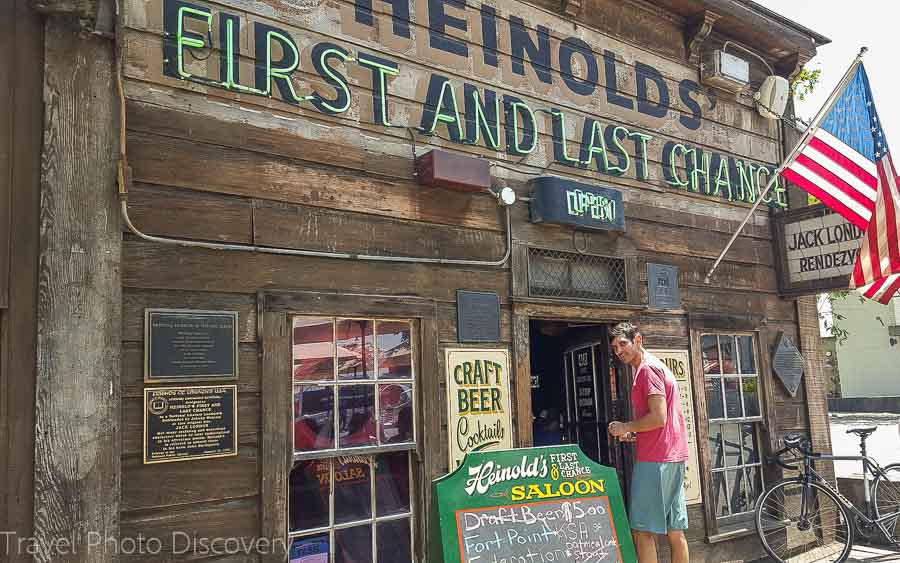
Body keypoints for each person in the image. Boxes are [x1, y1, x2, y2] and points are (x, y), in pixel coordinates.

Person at [607, 322, 689, 563]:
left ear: (638, 340)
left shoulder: (647, 370)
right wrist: (635, 434)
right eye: (614, 347)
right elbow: (661, 421)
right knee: (675, 532)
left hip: (655, 460)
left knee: (643, 531)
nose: (619, 351)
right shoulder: (658, 366)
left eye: (623, 343)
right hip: (673, 456)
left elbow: (658, 417)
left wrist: (626, 426)